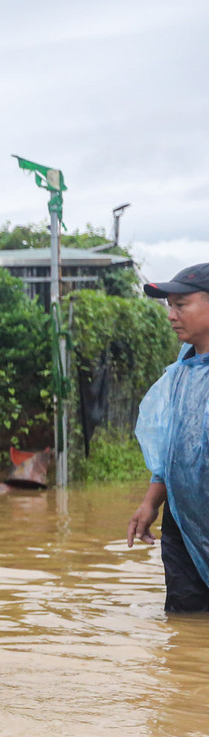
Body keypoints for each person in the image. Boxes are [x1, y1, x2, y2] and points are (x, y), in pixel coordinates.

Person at [127, 262, 209, 613]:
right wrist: (152, 502)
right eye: (169, 306)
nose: (172, 315)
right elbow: (173, 447)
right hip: (182, 517)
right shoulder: (184, 366)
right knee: (184, 621)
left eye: (181, 305)